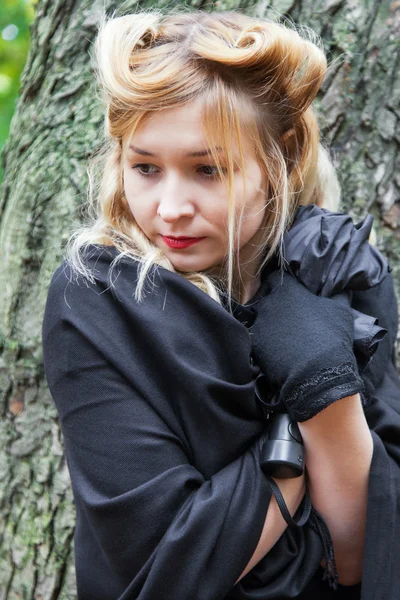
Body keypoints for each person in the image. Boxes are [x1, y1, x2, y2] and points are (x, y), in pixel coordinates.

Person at [41, 7, 400, 599]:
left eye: (208, 169)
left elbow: (360, 558)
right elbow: (167, 570)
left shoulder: (335, 272)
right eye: (146, 167)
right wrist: (303, 422)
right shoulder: (99, 299)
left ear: (278, 159)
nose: (171, 207)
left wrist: (321, 382)